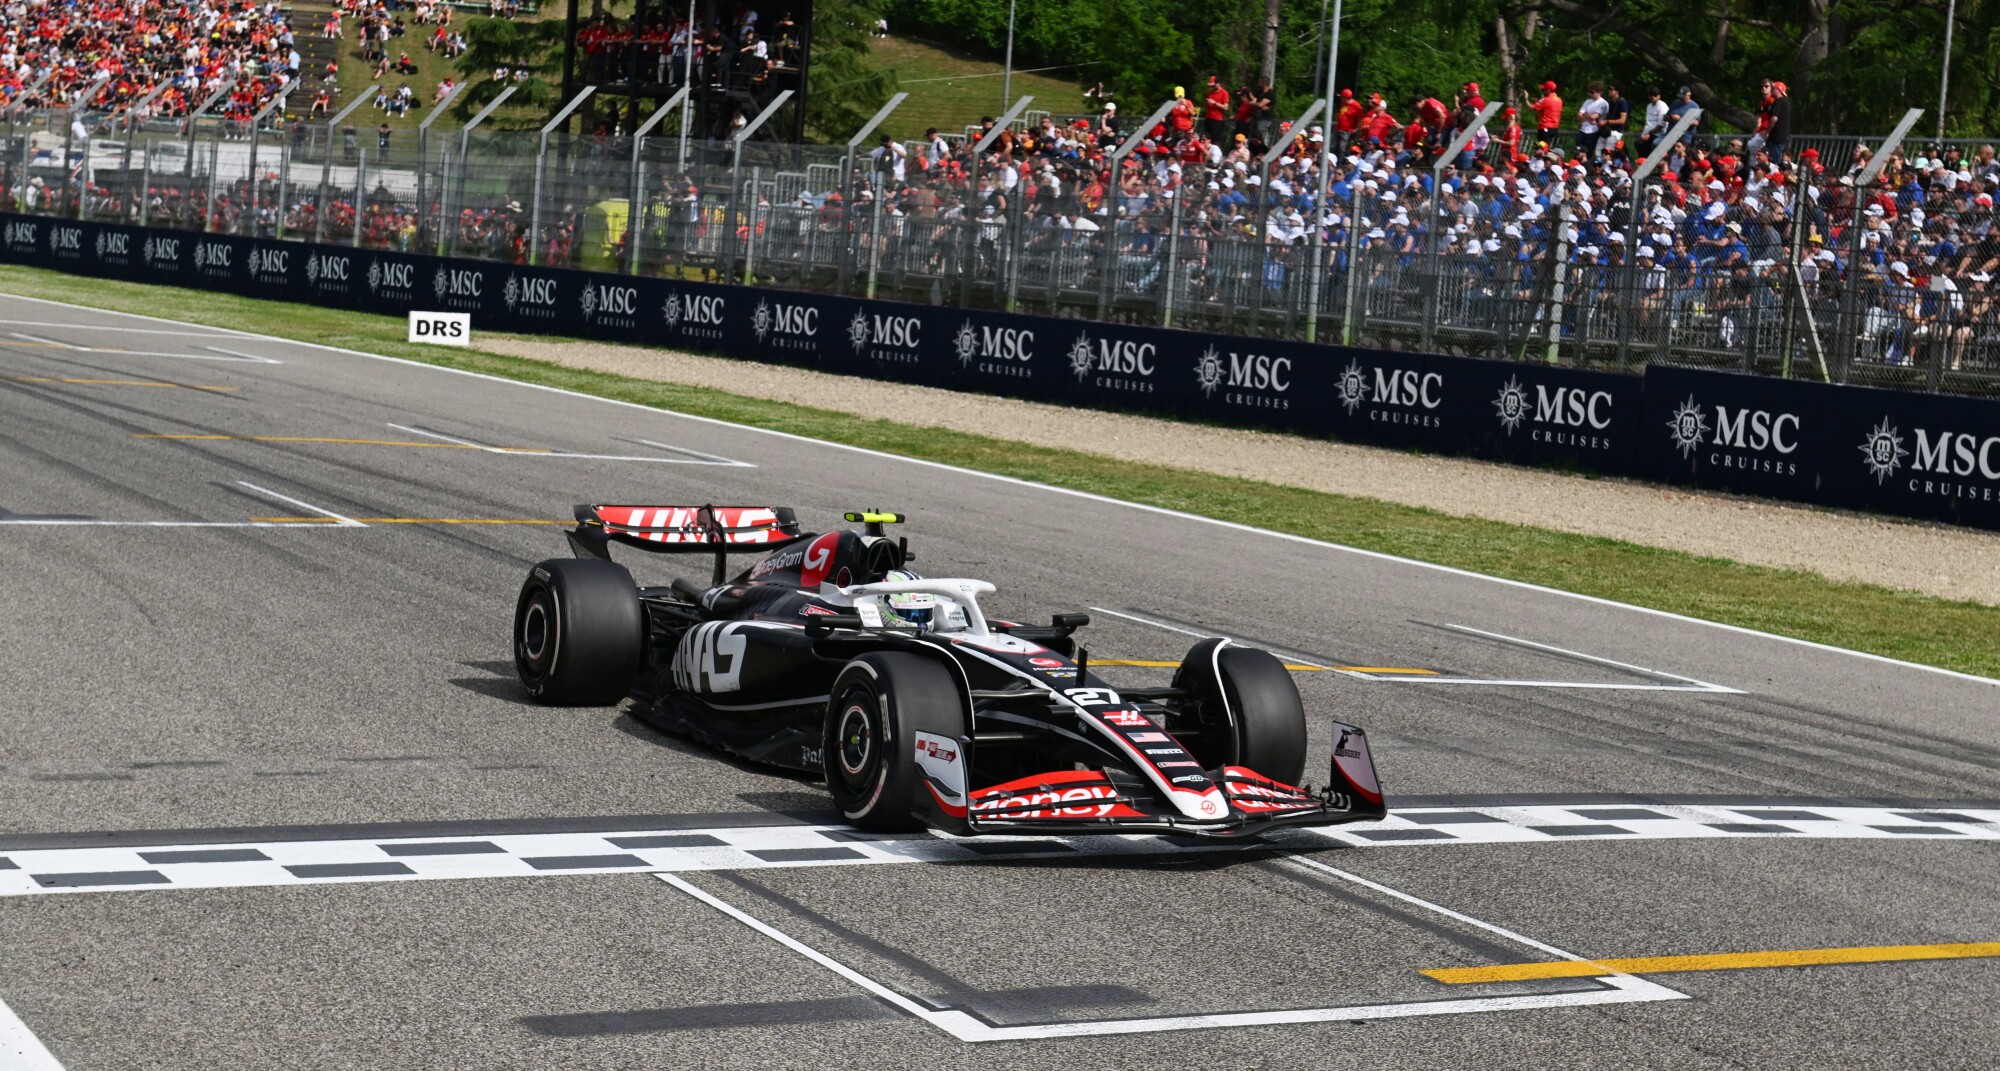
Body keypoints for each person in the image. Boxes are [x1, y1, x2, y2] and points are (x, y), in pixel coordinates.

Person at [1576, 83, 1608, 159]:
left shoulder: (1603, 103)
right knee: (1577, 152)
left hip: (1593, 131)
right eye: (1589, 92)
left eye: (1592, 92)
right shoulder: (1587, 101)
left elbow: (1594, 117)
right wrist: (1588, 117)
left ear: (1599, 92)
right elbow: (1578, 115)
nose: (1590, 94)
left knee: (1588, 154)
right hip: (1583, 130)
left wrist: (1585, 115)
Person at [1531, 80, 1563, 152]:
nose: (1543, 91)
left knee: (1541, 148)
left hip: (1545, 127)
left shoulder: (1546, 99)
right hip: (1554, 128)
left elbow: (1531, 108)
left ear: (1548, 90)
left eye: (1544, 89)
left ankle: (1543, 160)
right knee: (1546, 146)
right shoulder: (1559, 100)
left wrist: (1526, 98)